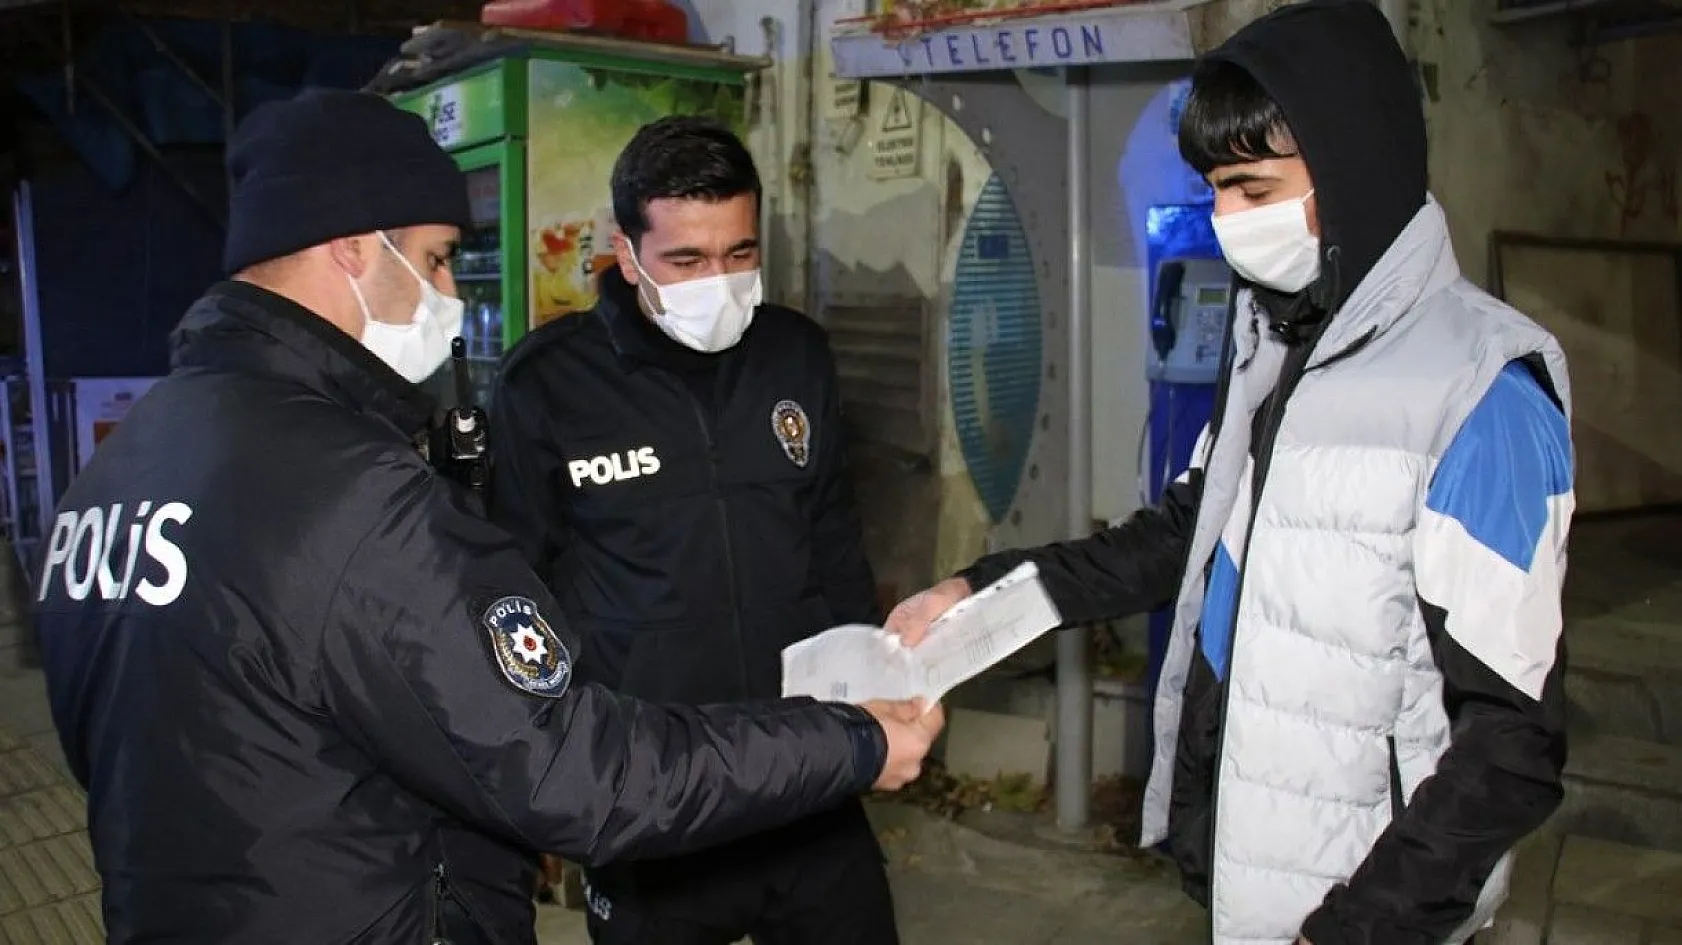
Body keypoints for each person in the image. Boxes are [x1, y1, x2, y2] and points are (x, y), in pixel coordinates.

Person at [29, 88, 943, 945]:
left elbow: (112, 747)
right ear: (353, 246)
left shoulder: (122, 462)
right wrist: (851, 738)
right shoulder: (354, 489)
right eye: (431, 258)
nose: (449, 293)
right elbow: (562, 764)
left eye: (740, 254)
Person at [888, 3, 1573, 944]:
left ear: (1353, 171)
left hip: (1369, 908)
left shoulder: (1482, 390)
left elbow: (1511, 743)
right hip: (1247, 876)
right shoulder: (1274, 346)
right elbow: (1178, 537)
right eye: (1215, 191)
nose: (1226, 224)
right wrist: (976, 597)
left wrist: (1352, 931)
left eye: (1253, 189)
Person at [484, 116, 900, 945]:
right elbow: (512, 593)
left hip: (804, 774)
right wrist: (528, 782)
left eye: (740, 253)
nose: (720, 279)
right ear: (626, 251)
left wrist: (873, 702)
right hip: (651, 796)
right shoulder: (547, 384)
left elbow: (833, 542)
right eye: (687, 259)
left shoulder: (796, 353)